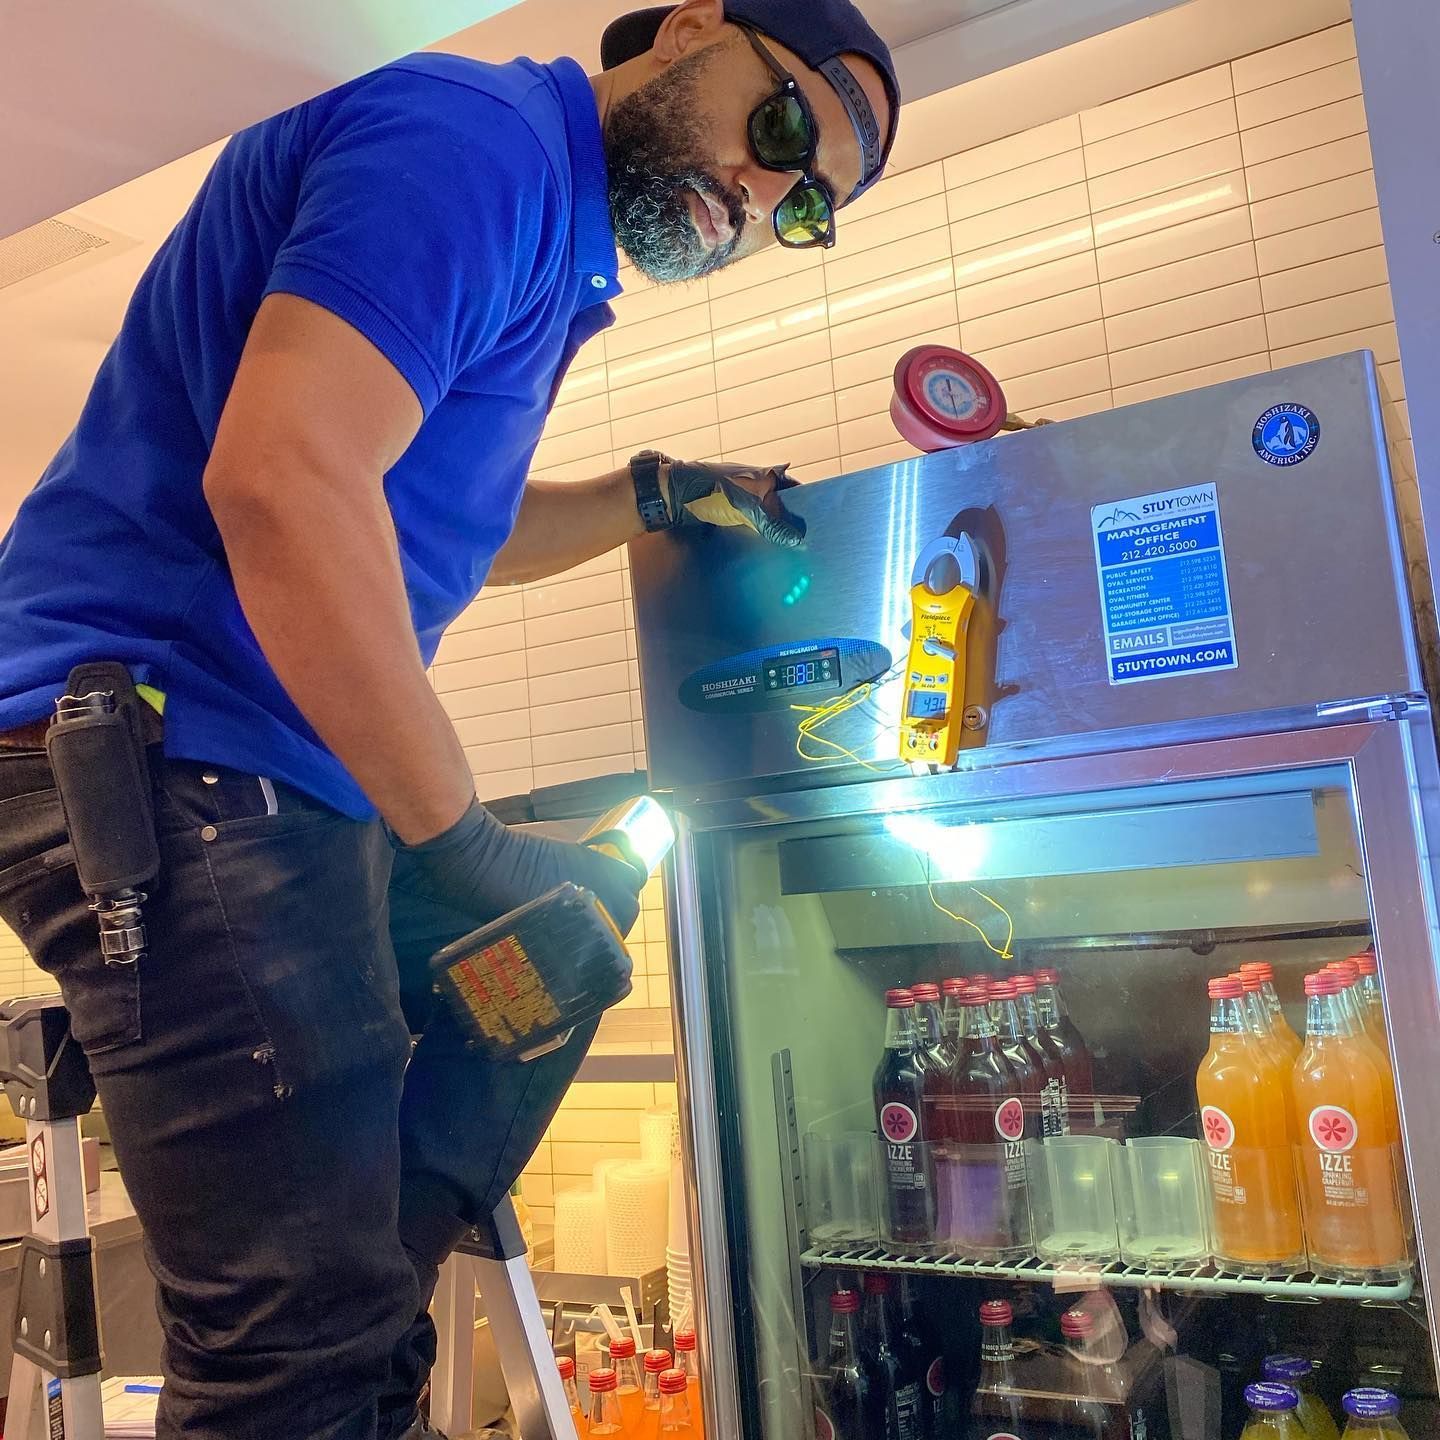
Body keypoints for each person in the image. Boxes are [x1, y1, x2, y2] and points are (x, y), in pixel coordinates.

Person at [0, 0, 899, 1435]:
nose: (765, 190)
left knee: (566, 953)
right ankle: (331, 1336)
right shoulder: (473, 148)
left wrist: (645, 495)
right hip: (183, 755)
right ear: (684, 32)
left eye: (806, 209)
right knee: (292, 1360)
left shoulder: (543, 240)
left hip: (246, 772)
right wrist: (469, 844)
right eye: (782, 127)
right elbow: (285, 483)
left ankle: (351, 1309)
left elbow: (436, 521)